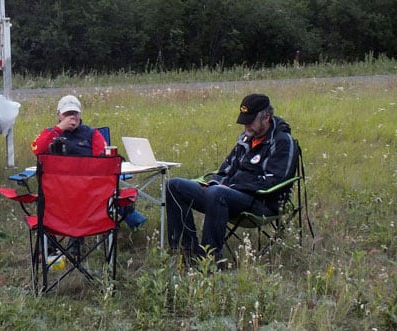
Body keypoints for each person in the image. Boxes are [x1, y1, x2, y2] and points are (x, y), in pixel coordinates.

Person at [166, 93, 298, 263]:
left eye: (250, 120)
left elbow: (275, 181)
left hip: (262, 202)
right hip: (228, 194)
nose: (245, 125)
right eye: (244, 120)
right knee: (174, 185)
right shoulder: (245, 139)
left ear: (267, 118)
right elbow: (226, 170)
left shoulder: (282, 141)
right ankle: (187, 251)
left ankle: (210, 260)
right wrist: (213, 183)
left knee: (216, 193)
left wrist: (231, 188)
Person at [31, 94, 147, 229]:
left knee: (102, 194)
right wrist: (59, 128)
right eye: (67, 113)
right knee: (44, 200)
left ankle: (76, 242)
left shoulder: (92, 134)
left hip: (86, 189)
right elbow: (37, 149)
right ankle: (50, 246)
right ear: (59, 116)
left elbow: (104, 163)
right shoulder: (50, 133)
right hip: (58, 191)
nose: (72, 117)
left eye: (75, 113)